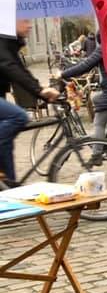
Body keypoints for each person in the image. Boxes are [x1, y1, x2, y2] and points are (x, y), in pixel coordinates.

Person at [0, 20, 59, 183]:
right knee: (18, 117)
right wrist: (40, 91)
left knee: (7, 144)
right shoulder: (2, 40)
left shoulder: (9, 43)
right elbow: (9, 66)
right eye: (25, 20)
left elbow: (20, 69)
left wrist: (41, 93)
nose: (30, 25)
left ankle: (8, 187)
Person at [55, 33, 107, 154]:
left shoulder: (104, 48)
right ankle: (105, 141)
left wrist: (63, 74)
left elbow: (84, 66)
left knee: (99, 120)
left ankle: (96, 154)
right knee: (97, 99)